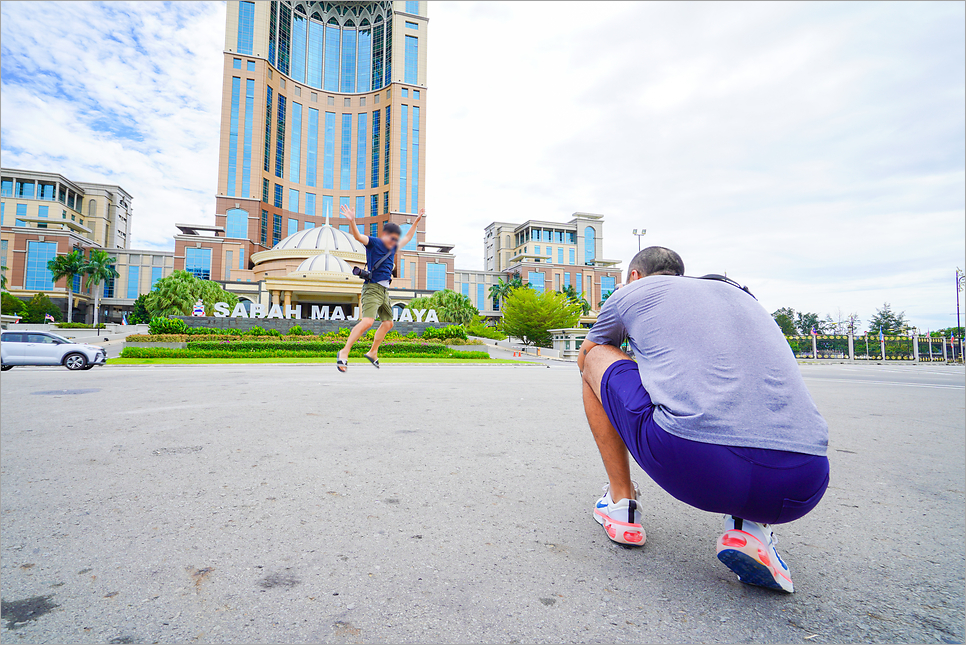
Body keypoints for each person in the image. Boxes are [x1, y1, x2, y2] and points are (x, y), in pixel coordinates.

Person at [577, 246, 829, 593]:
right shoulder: (740, 295)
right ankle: (751, 528)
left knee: (596, 359)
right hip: (804, 481)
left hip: (699, 465)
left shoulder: (633, 292)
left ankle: (621, 505)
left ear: (633, 276)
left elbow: (585, 356)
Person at [336, 204, 424, 372]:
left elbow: (409, 237)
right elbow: (358, 237)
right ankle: (344, 352)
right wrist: (352, 221)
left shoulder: (394, 248)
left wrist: (417, 221)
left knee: (388, 323)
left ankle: (373, 352)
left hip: (384, 291)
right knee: (368, 321)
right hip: (372, 289)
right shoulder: (375, 243)